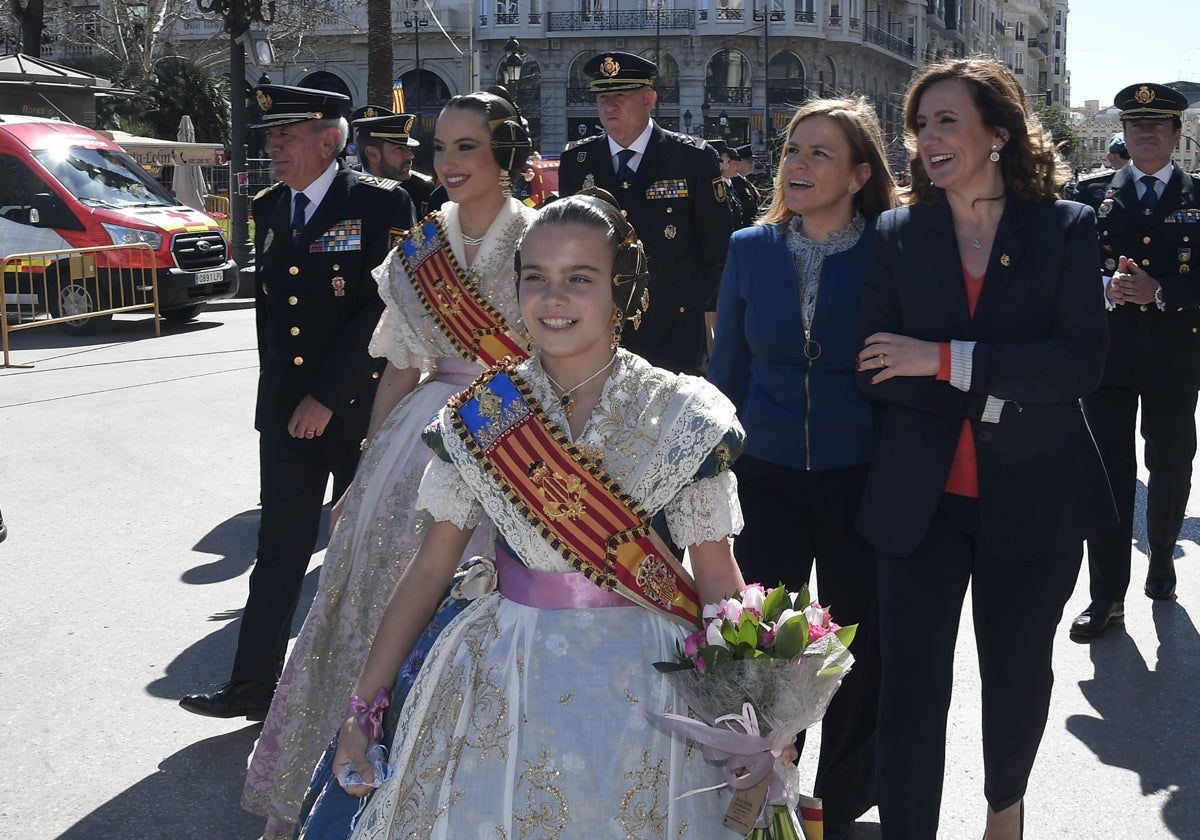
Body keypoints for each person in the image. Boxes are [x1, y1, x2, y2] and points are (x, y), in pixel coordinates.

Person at [309, 191, 748, 839]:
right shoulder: (480, 415)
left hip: (647, 690)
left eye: (580, 279)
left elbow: (716, 580)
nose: (554, 298)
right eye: (535, 278)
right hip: (502, 676)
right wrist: (362, 708)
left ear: (621, 288)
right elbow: (430, 569)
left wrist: (753, 716)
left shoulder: (680, 414)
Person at [241, 87, 537, 840]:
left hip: (515, 439)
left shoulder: (542, 238)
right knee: (359, 607)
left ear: (503, 153)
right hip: (417, 439)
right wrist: (367, 468)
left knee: (482, 617)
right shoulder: (419, 250)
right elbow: (402, 367)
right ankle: (309, 791)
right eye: (441, 148)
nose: (448, 162)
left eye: (466, 147)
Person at [853, 59, 1115, 840]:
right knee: (910, 694)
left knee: (1015, 683)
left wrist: (942, 358)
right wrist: (1004, 373)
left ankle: (1005, 806)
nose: (927, 140)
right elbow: (875, 369)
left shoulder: (1065, 227)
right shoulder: (898, 232)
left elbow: (1076, 366)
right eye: (919, 125)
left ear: (997, 133)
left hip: (1033, 503)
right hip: (918, 504)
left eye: (946, 122)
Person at [179, 85, 416, 721]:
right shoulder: (268, 205)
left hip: (359, 406)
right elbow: (273, 317)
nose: (272, 146)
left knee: (370, 547)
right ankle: (253, 684)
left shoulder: (379, 202)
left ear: (329, 139)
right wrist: (287, 401)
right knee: (279, 547)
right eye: (270, 136)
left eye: (286, 135)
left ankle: (377, 693)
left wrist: (327, 396)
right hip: (287, 412)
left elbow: (387, 306)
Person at [708, 96, 896, 840]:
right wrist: (709, 468)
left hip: (862, 473)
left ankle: (838, 805)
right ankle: (763, 792)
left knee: (854, 648)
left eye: (821, 153)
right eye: (793, 149)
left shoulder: (891, 249)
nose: (800, 164)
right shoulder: (750, 247)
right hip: (766, 473)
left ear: (858, 173)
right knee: (765, 649)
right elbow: (728, 369)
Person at [1068, 82, 1200, 640]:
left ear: (1176, 134)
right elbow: (1066, 274)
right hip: (1109, 360)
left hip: (1176, 358)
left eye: (1158, 126)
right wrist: (1107, 287)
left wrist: (1161, 291)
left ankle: (1163, 556)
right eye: (1136, 126)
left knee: (1170, 468)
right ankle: (1106, 597)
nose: (1146, 134)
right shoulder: (1088, 194)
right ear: (1123, 133)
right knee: (1108, 475)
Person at [559, 51, 733, 375]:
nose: (610, 106)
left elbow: (717, 250)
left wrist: (712, 327)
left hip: (673, 335)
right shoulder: (577, 162)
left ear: (649, 99)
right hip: (599, 335)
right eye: (603, 97)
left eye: (621, 96)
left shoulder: (692, 158)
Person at [352, 111, 437, 217]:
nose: (410, 155)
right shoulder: (343, 185)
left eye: (409, 148)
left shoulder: (421, 188)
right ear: (372, 153)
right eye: (399, 149)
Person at [731, 143, 763, 226]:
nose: (752, 164)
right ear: (738, 163)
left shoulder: (745, 181)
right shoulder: (734, 182)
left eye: (753, 161)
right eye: (749, 161)